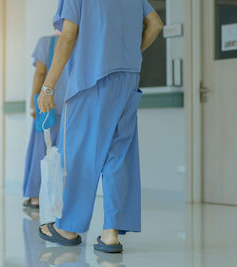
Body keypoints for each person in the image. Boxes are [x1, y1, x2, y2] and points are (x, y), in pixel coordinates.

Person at [37, 0, 163, 253]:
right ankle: (110, 235)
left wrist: (48, 86)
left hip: (92, 79)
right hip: (127, 77)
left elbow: (69, 34)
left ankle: (68, 228)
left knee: (82, 154)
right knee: (119, 155)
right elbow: (155, 24)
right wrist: (131, 52)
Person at [23, 31, 69, 209]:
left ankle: (37, 198)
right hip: (71, 105)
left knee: (40, 150)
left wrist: (33, 100)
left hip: (47, 103)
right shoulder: (80, 42)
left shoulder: (46, 43)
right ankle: (63, 197)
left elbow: (40, 73)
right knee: (67, 153)